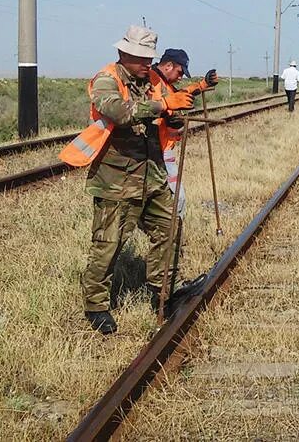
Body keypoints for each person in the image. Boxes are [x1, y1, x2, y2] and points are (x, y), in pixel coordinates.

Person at [59, 26, 196, 335]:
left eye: (150, 58)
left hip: (152, 174)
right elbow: (119, 112)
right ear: (124, 54)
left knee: (170, 227)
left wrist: (173, 116)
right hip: (116, 179)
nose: (148, 63)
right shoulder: (107, 79)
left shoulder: (152, 82)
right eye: (142, 58)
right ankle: (96, 305)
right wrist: (163, 106)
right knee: (108, 245)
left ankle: (163, 294)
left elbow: (165, 115)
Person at [149, 48, 220, 215]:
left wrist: (202, 85)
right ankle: (172, 236)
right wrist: (169, 116)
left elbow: (179, 95)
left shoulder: (163, 82)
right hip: (156, 152)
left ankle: (171, 235)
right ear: (168, 66)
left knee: (173, 199)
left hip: (164, 150)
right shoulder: (153, 82)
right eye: (179, 72)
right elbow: (154, 106)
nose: (180, 77)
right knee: (176, 200)